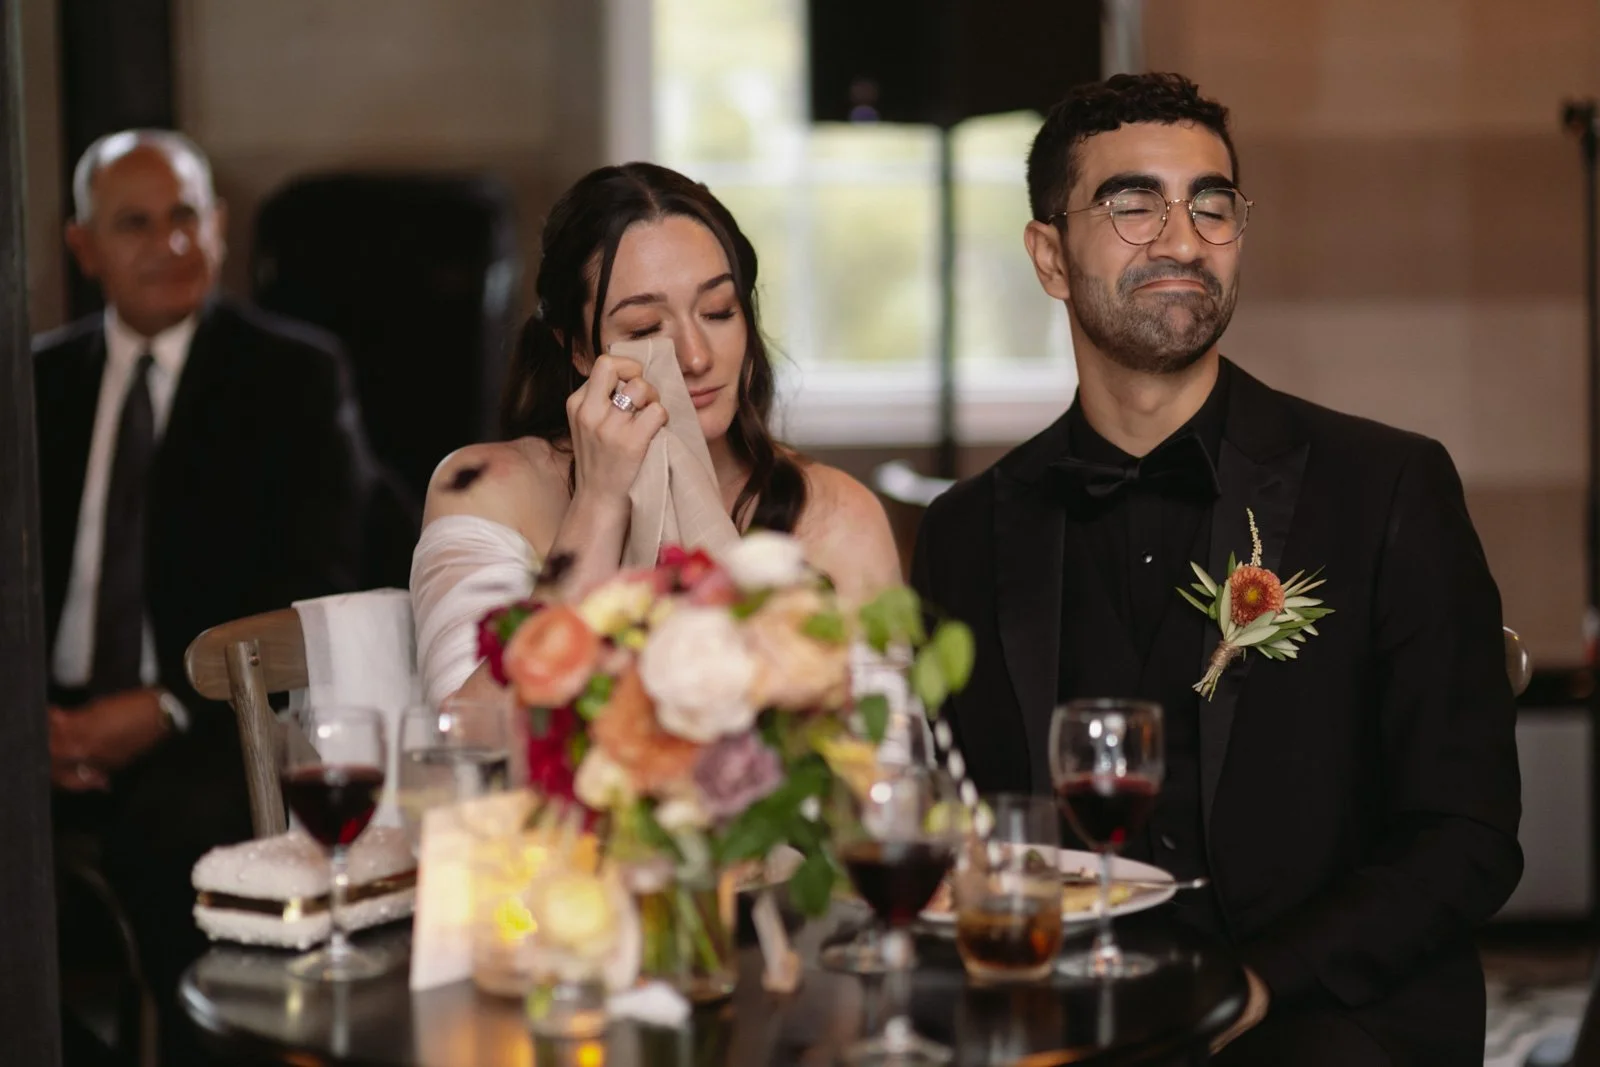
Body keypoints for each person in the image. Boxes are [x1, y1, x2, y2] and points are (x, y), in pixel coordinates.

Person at [911, 74, 1521, 1066]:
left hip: (1324, 1019)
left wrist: (1251, 985)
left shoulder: (1388, 485)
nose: (1182, 238)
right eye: (1132, 202)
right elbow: (955, 824)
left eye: (1211, 203)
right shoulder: (965, 531)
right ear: (1049, 256)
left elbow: (1466, 831)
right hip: (1062, 1028)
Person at [35, 129, 375, 1065]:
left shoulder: (293, 375)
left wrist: (164, 706)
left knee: (177, 847)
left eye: (186, 216)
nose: (169, 243)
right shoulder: (35, 384)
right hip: (47, 722)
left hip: (212, 723)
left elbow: (322, 572)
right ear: (83, 246)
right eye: (134, 223)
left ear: (220, 227)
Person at [412, 162, 900, 705]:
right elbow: (464, 741)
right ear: (578, 348)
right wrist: (598, 502)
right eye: (646, 329)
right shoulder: (486, 488)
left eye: (718, 311)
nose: (695, 357)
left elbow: (886, 753)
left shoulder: (835, 512)